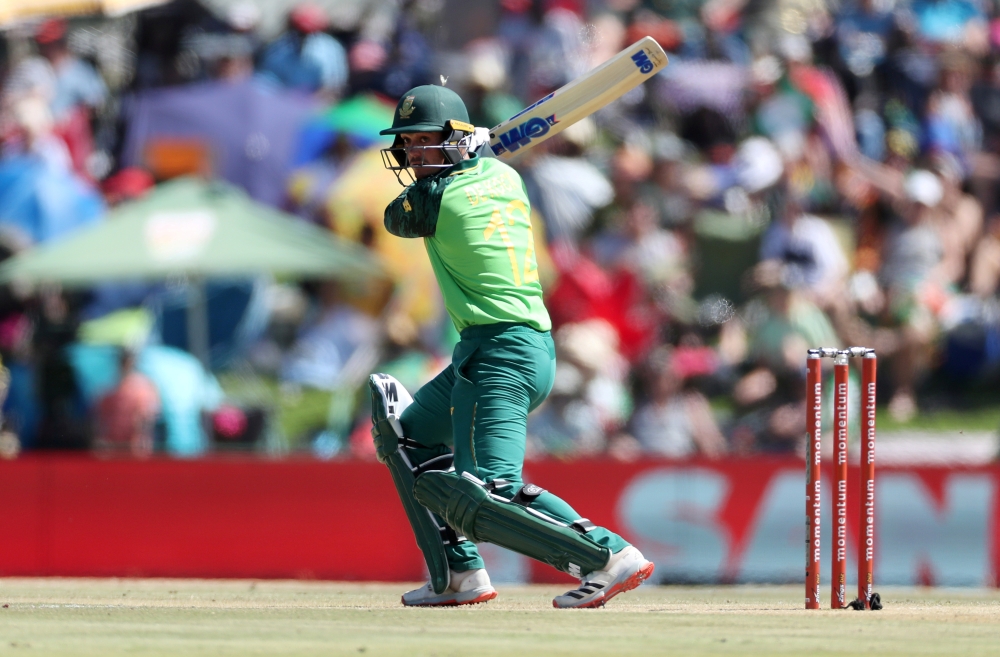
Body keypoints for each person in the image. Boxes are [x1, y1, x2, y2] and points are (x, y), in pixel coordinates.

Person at [367, 84, 653, 608]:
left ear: (455, 141)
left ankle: (607, 556)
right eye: (405, 142)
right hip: (517, 346)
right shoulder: (504, 175)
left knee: (489, 490)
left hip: (498, 354)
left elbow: (394, 217)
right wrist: (460, 158)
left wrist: (447, 168)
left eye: (422, 141)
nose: (410, 153)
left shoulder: (434, 198)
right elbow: (465, 178)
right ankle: (460, 575)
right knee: (408, 438)